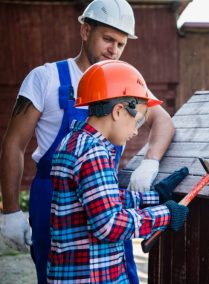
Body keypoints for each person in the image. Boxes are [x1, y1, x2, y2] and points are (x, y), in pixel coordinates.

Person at [0, 0, 175, 283]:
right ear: (85, 30)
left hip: (103, 189)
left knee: (117, 269)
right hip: (54, 195)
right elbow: (13, 144)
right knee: (58, 271)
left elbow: (164, 121)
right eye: (107, 39)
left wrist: (150, 164)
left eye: (120, 44)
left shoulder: (123, 81)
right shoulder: (45, 78)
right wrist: (10, 211)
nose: (114, 50)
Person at [47, 59, 188, 283]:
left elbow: (100, 199)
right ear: (118, 111)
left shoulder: (72, 142)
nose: (135, 131)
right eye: (137, 121)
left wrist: (154, 197)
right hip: (93, 277)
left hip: (71, 272)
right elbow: (109, 225)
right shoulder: (94, 153)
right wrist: (166, 215)